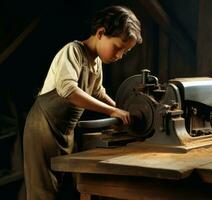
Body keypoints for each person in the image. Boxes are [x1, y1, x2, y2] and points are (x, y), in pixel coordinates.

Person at [23, 5, 142, 200]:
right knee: (43, 192)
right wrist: (113, 112)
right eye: (118, 48)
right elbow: (68, 90)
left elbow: (97, 92)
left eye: (125, 53)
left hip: (65, 131)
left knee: (65, 191)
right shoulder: (73, 51)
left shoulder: (95, 62)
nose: (119, 56)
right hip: (43, 127)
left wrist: (124, 110)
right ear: (101, 33)